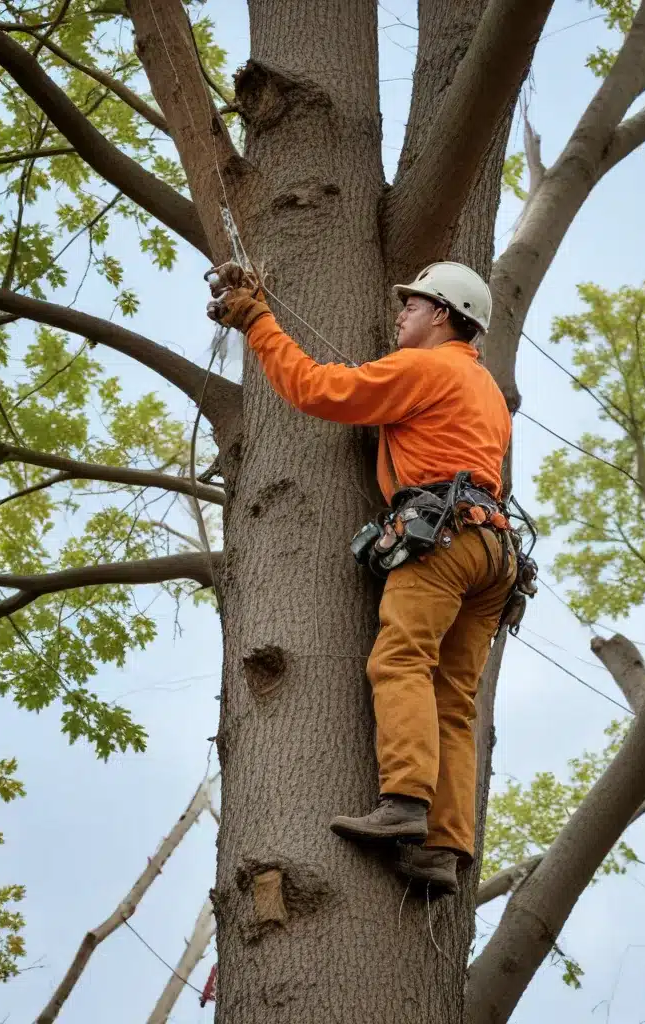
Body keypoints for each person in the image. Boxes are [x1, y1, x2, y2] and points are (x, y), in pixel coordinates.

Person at [206, 261, 515, 896]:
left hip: (444, 540)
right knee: (453, 700)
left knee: (400, 661)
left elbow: (319, 390)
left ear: (444, 315)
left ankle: (404, 802)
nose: (401, 312)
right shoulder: (485, 390)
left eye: (414, 304)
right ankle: (445, 845)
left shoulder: (425, 367)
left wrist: (257, 321)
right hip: (495, 551)